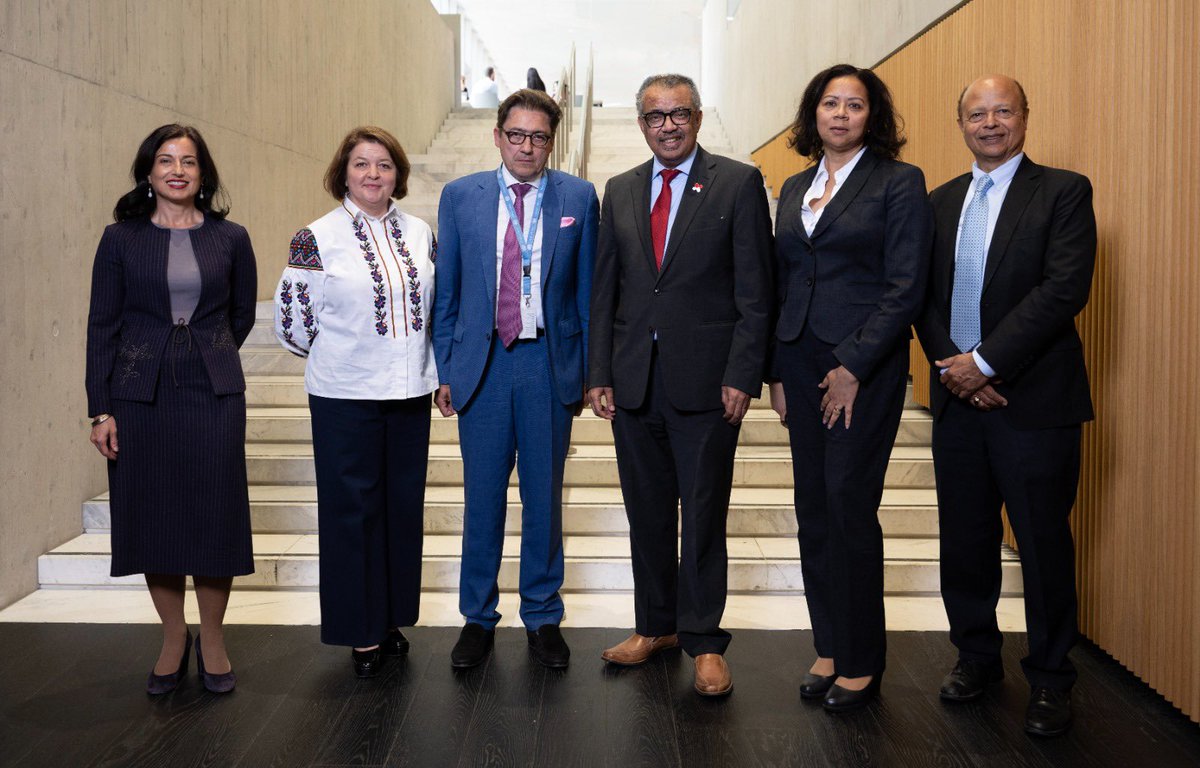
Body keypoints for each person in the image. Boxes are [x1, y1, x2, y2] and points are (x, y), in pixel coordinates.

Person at [914, 74, 1096, 737]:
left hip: (1033, 401)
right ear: (960, 123)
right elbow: (921, 299)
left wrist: (984, 362)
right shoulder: (937, 203)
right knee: (965, 539)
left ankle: (1051, 679)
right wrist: (957, 371)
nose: (989, 123)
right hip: (959, 404)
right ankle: (976, 656)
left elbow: (1062, 289)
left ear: (1025, 116)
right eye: (976, 113)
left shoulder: (1064, 192)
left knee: (1043, 543)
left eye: (1003, 111)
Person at [588, 73, 773, 696]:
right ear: (641, 124)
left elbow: (755, 290)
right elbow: (603, 293)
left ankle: (703, 640)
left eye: (679, 113)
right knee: (645, 515)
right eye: (655, 115)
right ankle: (654, 626)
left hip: (708, 385)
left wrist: (743, 374)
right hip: (635, 383)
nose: (667, 124)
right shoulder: (617, 190)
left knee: (701, 515)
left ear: (697, 118)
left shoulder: (738, 182)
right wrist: (599, 374)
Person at [767, 64, 932, 713]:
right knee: (813, 506)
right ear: (813, 115)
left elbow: (906, 285)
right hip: (800, 360)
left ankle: (863, 659)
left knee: (847, 502)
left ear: (873, 116)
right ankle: (830, 643)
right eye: (830, 103)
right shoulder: (794, 185)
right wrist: (778, 371)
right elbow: (784, 281)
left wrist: (854, 364)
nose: (840, 114)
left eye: (854, 104)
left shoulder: (898, 182)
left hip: (863, 367)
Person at [86, 124, 257, 695]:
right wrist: (100, 408)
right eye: (165, 160)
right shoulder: (120, 240)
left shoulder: (231, 237)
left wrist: (205, 350)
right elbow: (101, 326)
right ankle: (172, 636)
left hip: (212, 390)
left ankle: (212, 638)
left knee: (214, 513)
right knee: (153, 514)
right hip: (140, 392)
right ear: (149, 171)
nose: (177, 169)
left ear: (203, 174)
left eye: (188, 160)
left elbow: (241, 315)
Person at [433, 89, 598, 669]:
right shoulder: (461, 197)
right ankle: (476, 619)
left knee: (544, 498)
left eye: (539, 137)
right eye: (517, 135)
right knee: (482, 501)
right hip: (481, 366)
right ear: (498, 136)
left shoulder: (579, 195)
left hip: (547, 364)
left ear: (552, 141)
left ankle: (543, 617)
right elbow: (447, 291)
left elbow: (585, 294)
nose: (527, 146)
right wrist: (445, 368)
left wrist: (585, 373)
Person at [274, 126, 438, 678]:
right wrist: (343, 357)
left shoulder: (420, 232)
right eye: (362, 164)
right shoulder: (315, 237)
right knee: (352, 514)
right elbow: (293, 323)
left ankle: (389, 617)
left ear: (399, 174)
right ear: (343, 172)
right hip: (345, 396)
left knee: (398, 510)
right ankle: (360, 631)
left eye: (385, 164)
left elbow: (433, 312)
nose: (374, 174)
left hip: (408, 393)